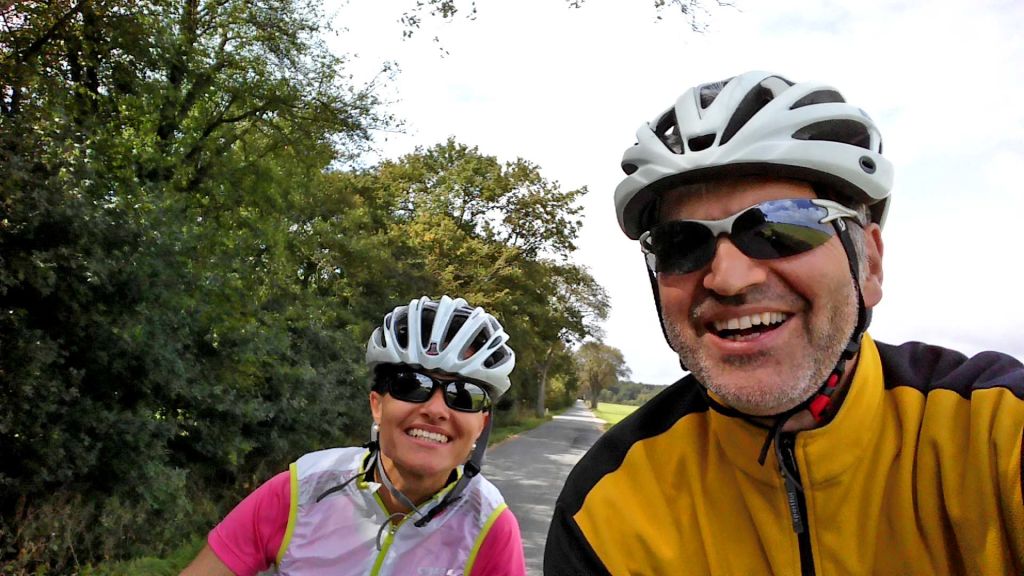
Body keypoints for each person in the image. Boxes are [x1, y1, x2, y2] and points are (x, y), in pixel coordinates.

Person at [544, 71, 1024, 574]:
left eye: (780, 225)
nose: (727, 279)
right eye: (681, 244)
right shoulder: (608, 506)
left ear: (871, 266)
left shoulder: (990, 432)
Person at [181, 295, 526, 576]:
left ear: (480, 424)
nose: (436, 410)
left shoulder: (489, 525)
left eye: (463, 395)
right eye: (412, 385)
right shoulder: (303, 490)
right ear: (377, 405)